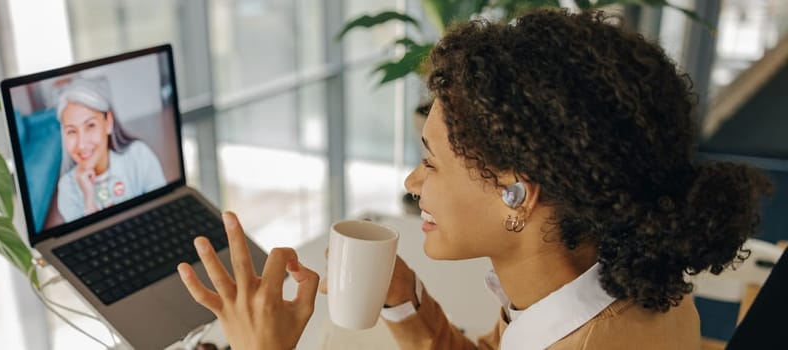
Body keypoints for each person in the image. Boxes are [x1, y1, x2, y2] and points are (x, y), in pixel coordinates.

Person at [177, 9, 775, 349]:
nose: (413, 181)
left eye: (432, 159)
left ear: (518, 191)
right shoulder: (586, 281)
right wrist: (405, 300)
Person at [55, 77, 167, 221]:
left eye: (90, 126)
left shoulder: (139, 156)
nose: (81, 145)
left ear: (108, 122)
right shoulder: (67, 187)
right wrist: (89, 200)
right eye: (71, 131)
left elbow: (163, 210)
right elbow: (84, 239)